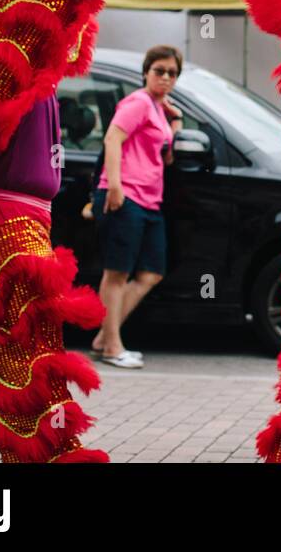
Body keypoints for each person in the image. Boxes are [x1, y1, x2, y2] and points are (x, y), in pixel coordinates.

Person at [91, 45, 184, 368]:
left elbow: (166, 157)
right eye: (159, 71)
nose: (166, 78)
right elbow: (112, 139)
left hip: (149, 200)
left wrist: (177, 121)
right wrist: (115, 186)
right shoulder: (139, 103)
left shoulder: (158, 109)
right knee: (116, 272)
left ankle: (104, 337)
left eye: (172, 73)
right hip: (125, 196)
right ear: (146, 72)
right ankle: (112, 348)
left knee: (151, 273)